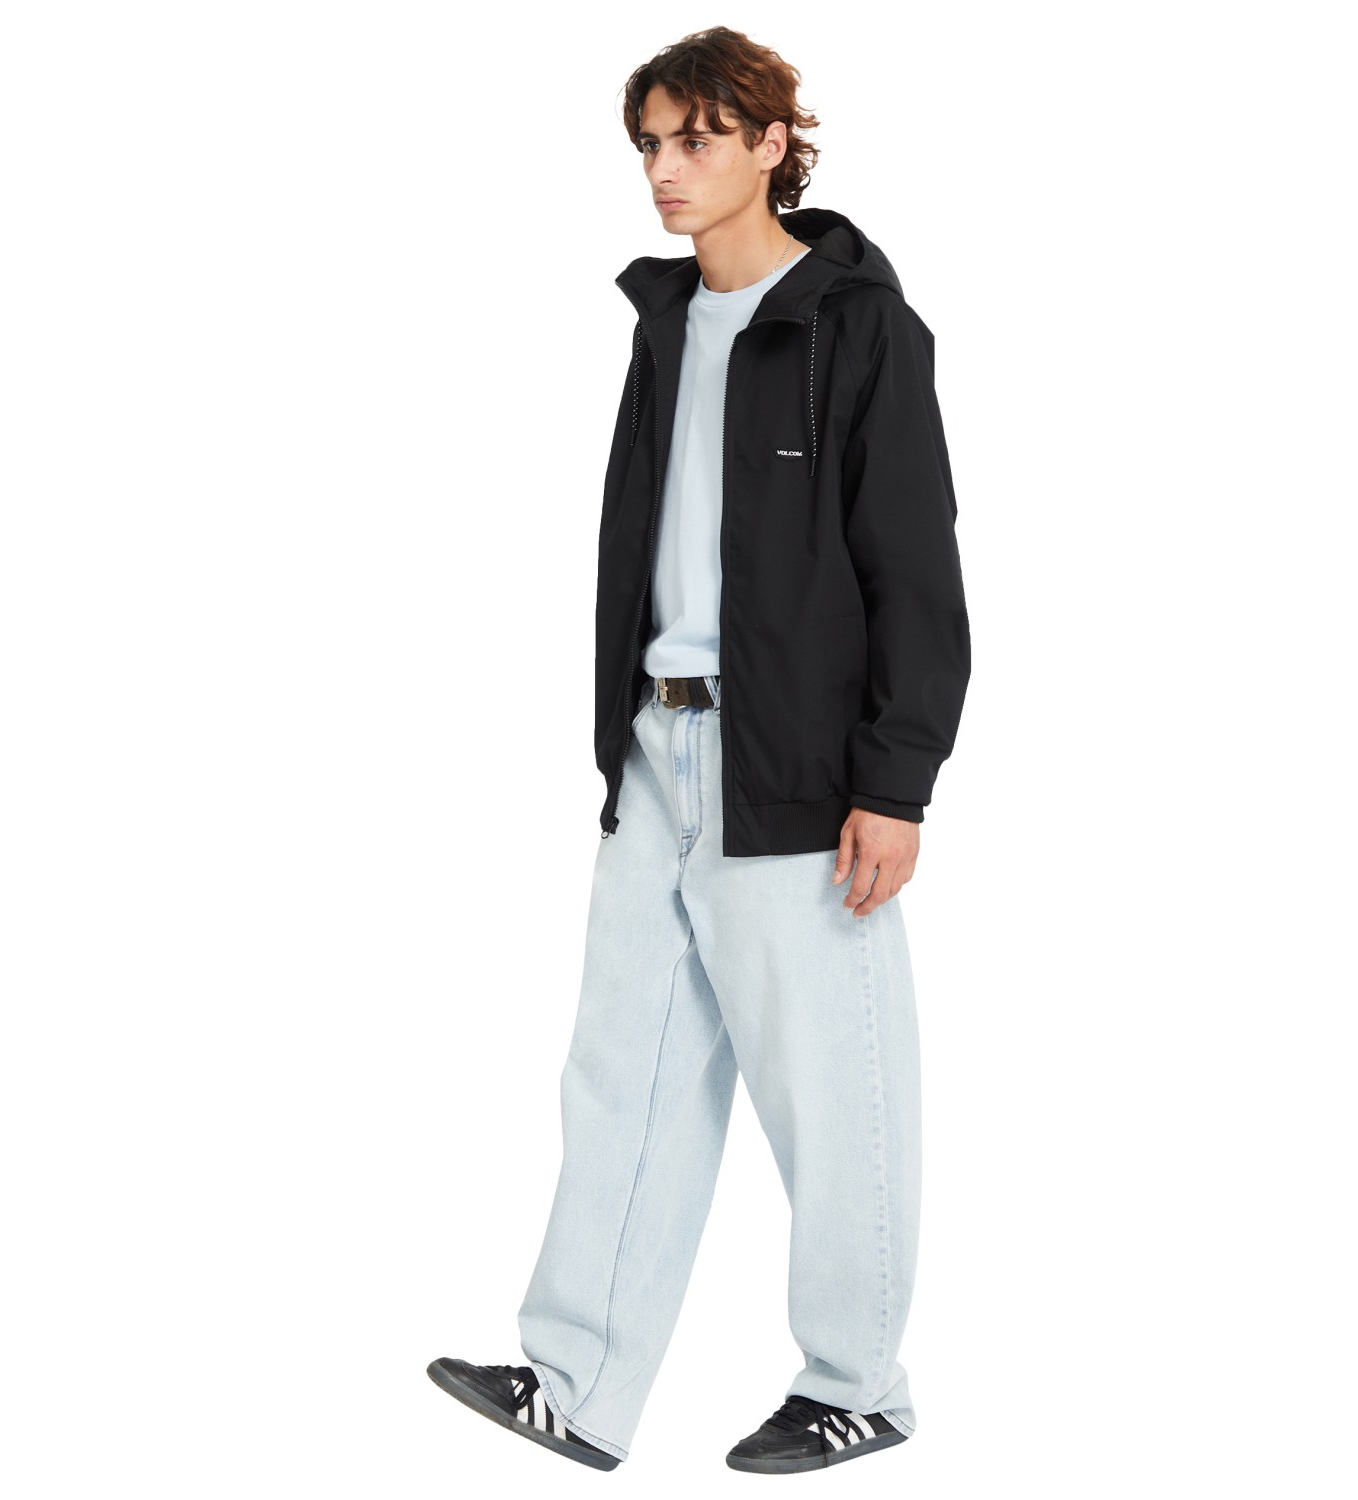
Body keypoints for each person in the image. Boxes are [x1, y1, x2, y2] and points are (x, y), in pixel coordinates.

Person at [426, 25, 970, 1476]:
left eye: (698, 139)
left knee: (835, 1091)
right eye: (651, 145)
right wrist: (619, 737)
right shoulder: (667, 324)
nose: (666, 170)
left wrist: (894, 781)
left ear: (773, 144)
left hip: (794, 770)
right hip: (655, 755)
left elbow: (917, 572)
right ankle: (575, 1382)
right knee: (622, 1073)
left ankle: (859, 1384)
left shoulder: (861, 327)